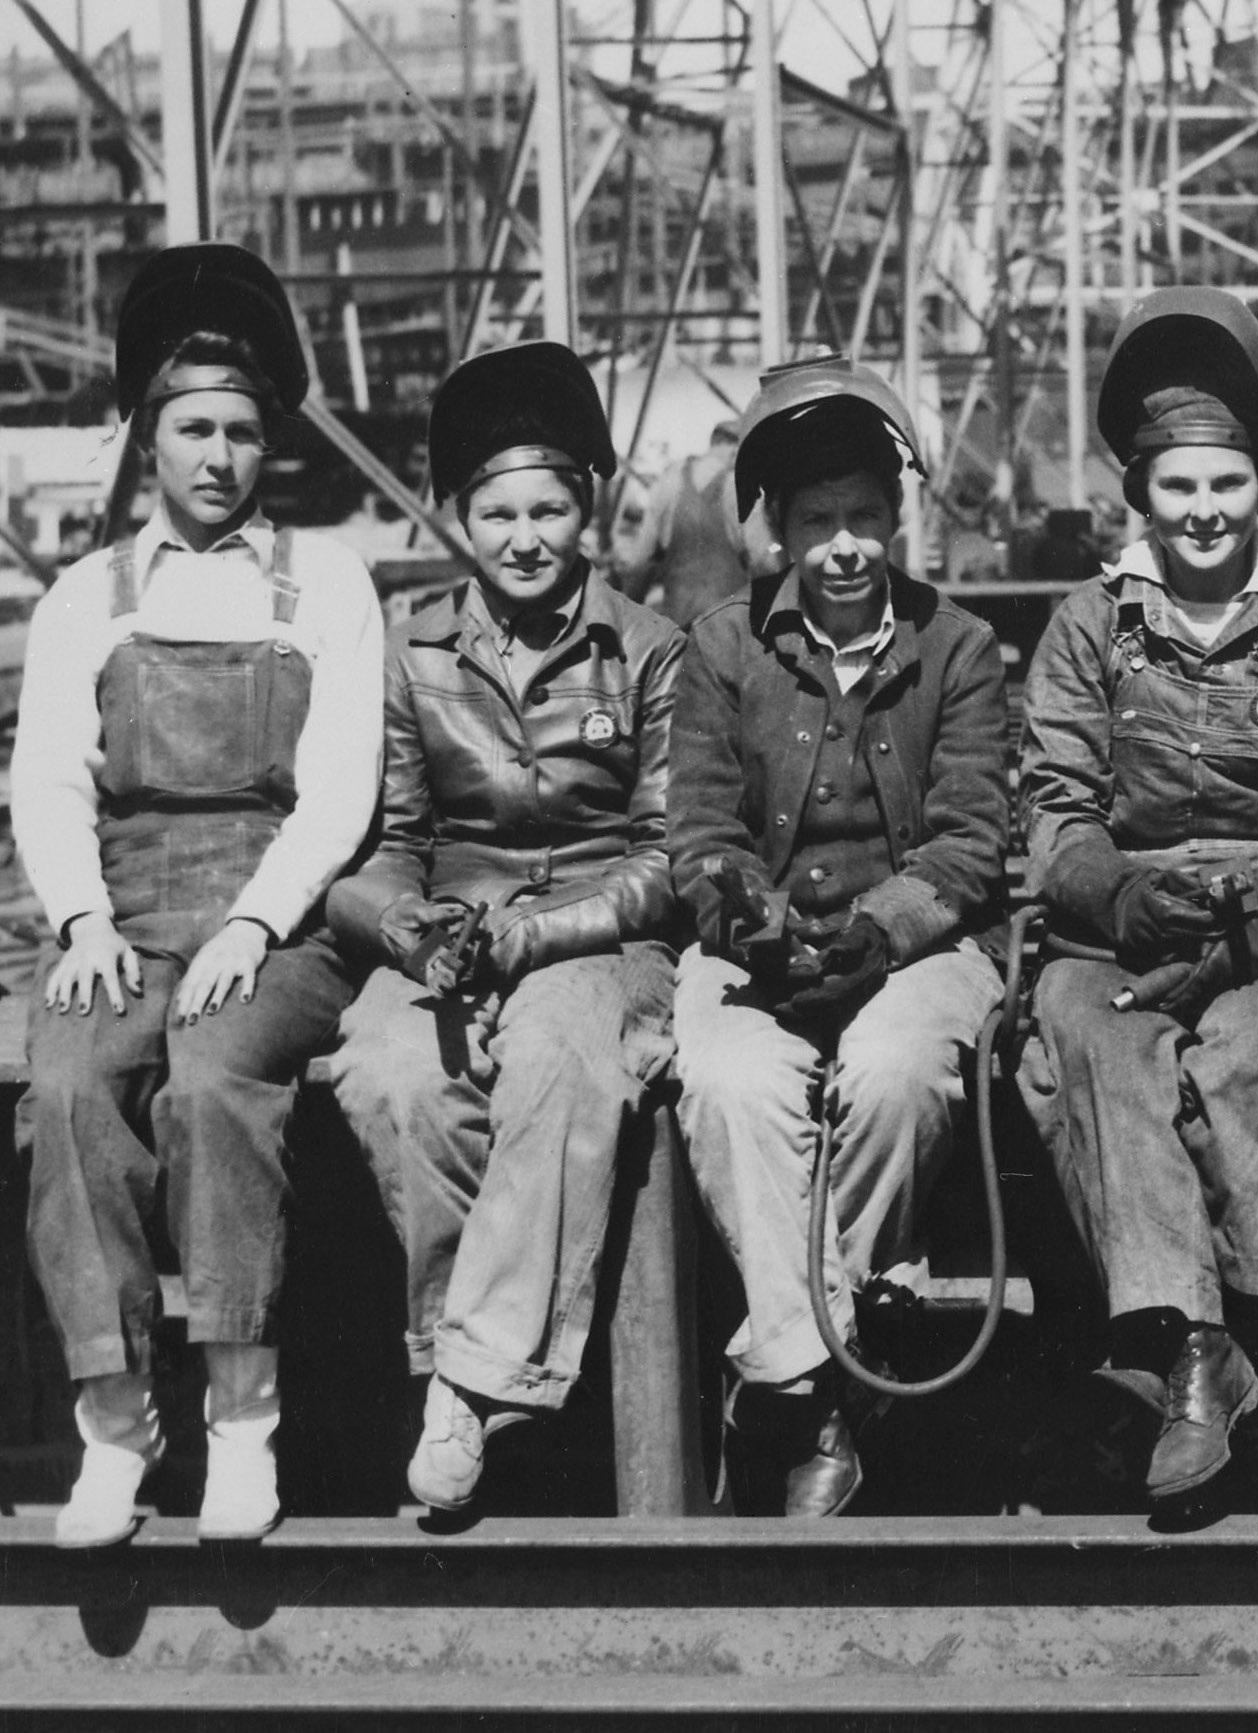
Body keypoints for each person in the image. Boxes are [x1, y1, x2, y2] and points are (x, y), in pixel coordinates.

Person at [12, 245, 384, 1545]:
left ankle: (241, 1414)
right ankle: (115, 1423)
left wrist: (254, 922)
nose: (219, 455)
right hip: (127, 911)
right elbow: (49, 779)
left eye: (239, 430)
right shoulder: (88, 596)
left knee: (215, 1080)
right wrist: (82, 922)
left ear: (266, 441)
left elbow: (338, 791)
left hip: (275, 914)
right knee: (66, 1089)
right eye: (192, 430)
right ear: (149, 439)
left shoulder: (325, 579)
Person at [1017, 288, 1258, 1506]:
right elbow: (1054, 802)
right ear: (1142, 493)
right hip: (1121, 921)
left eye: (1227, 483)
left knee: (1252, 1053)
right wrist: (1117, 900)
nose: (1204, 511)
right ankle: (1190, 1350)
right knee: (1098, 1045)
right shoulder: (1090, 625)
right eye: (1178, 487)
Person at [321, 343, 685, 1511]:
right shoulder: (412, 647)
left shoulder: (650, 647)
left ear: (587, 507)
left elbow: (668, 852)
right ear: (459, 518)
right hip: (458, 922)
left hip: (601, 933)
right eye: (497, 512)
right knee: (388, 1072)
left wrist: (545, 937)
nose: (525, 536)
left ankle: (466, 1391)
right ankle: (472, 1372)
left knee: (551, 1056)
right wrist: (420, 935)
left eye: (550, 508)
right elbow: (385, 845)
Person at [667, 354, 1009, 1516]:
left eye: (866, 515)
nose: (847, 546)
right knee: (724, 1081)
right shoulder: (720, 651)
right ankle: (821, 1387)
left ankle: (780, 1369)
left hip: (913, 947)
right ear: (777, 531)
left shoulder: (958, 649)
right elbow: (702, 830)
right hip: (758, 953)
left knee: (900, 1071)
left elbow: (970, 842)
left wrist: (882, 928)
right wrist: (739, 913)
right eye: (818, 521)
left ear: (897, 515)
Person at [620, 418, 750, 624]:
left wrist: (626, 619)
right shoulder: (739, 487)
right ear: (735, 449)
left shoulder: (669, 482)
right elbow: (764, 560)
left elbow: (641, 562)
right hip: (732, 626)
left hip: (679, 623)